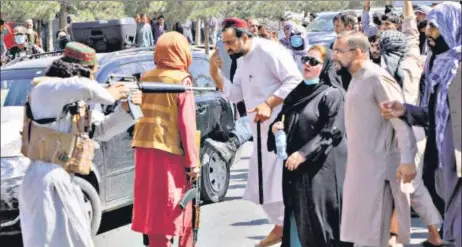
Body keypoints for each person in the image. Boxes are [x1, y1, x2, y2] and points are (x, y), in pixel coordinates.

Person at [18, 42, 141, 247]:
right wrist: (110, 93)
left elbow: (99, 131)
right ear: (81, 70)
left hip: (65, 179)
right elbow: (82, 85)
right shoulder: (46, 89)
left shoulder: (75, 100)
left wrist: (126, 110)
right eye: (94, 71)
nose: (95, 77)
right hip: (43, 181)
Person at [210, 17, 302, 247]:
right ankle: (282, 227)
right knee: (261, 189)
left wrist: (269, 104)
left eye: (230, 42)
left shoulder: (269, 51)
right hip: (258, 133)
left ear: (245, 37)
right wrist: (215, 73)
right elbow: (236, 94)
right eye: (224, 43)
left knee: (277, 187)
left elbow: (294, 80)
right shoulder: (241, 60)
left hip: (280, 130)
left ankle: (288, 230)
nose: (227, 48)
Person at [380, 3, 461, 246]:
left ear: (452, 26)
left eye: (434, 27)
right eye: (427, 26)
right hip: (442, 158)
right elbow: (435, 113)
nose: (428, 33)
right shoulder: (437, 65)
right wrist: (406, 110)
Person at [333, 31, 418, 247]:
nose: (335, 56)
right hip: (359, 171)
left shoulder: (377, 78)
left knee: (374, 237)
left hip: (379, 173)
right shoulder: (356, 79)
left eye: (339, 51)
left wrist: (407, 161)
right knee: (361, 237)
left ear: (358, 52)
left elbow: (401, 124)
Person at [268, 45, 349, 247]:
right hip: (295, 169)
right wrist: (275, 129)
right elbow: (282, 118)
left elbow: (331, 132)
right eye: (305, 59)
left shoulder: (333, 94)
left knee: (318, 221)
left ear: (325, 66)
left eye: (313, 62)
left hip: (320, 170)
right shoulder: (298, 92)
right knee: (297, 216)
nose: (306, 64)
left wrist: (303, 154)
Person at [131, 32, 199, 247]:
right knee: (177, 205)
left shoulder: (146, 77)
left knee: (153, 207)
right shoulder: (181, 80)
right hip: (170, 153)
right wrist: (193, 163)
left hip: (144, 150)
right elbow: (187, 125)